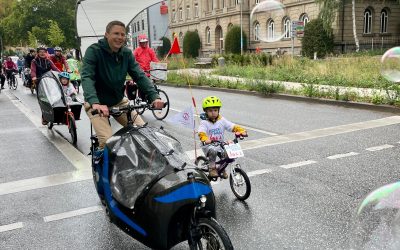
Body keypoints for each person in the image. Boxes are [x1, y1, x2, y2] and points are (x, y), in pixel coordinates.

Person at [81, 20, 164, 152]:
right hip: (97, 104)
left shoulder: (126, 53)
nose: (120, 37)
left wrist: (154, 96)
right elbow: (87, 77)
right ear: (106, 34)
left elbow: (139, 75)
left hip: (118, 101)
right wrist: (94, 102)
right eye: (116, 33)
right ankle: (102, 169)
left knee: (144, 133)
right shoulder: (94, 51)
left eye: (123, 34)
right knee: (108, 143)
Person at [198, 96, 247, 178]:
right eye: (210, 111)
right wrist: (205, 139)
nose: (213, 113)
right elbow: (201, 132)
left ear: (218, 110)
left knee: (226, 152)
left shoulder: (221, 120)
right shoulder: (204, 122)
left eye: (215, 110)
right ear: (206, 111)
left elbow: (231, 126)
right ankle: (212, 168)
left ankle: (222, 168)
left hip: (219, 143)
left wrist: (241, 130)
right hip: (208, 145)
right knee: (213, 151)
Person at [31, 46, 61, 125]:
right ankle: (44, 116)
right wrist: (34, 77)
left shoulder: (48, 61)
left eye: (44, 52)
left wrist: (61, 74)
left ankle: (56, 112)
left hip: (49, 81)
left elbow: (55, 68)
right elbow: (33, 70)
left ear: (46, 53)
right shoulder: (34, 61)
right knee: (43, 100)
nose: (42, 53)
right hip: (39, 81)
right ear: (38, 53)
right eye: (40, 52)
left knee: (56, 96)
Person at [126, 34, 160, 100]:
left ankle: (153, 98)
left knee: (151, 86)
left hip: (149, 71)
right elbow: (132, 60)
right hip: (140, 72)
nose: (144, 43)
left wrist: (159, 65)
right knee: (142, 85)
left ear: (147, 42)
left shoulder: (150, 50)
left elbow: (154, 59)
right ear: (140, 43)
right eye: (142, 42)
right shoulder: (137, 51)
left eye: (145, 42)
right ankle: (141, 98)